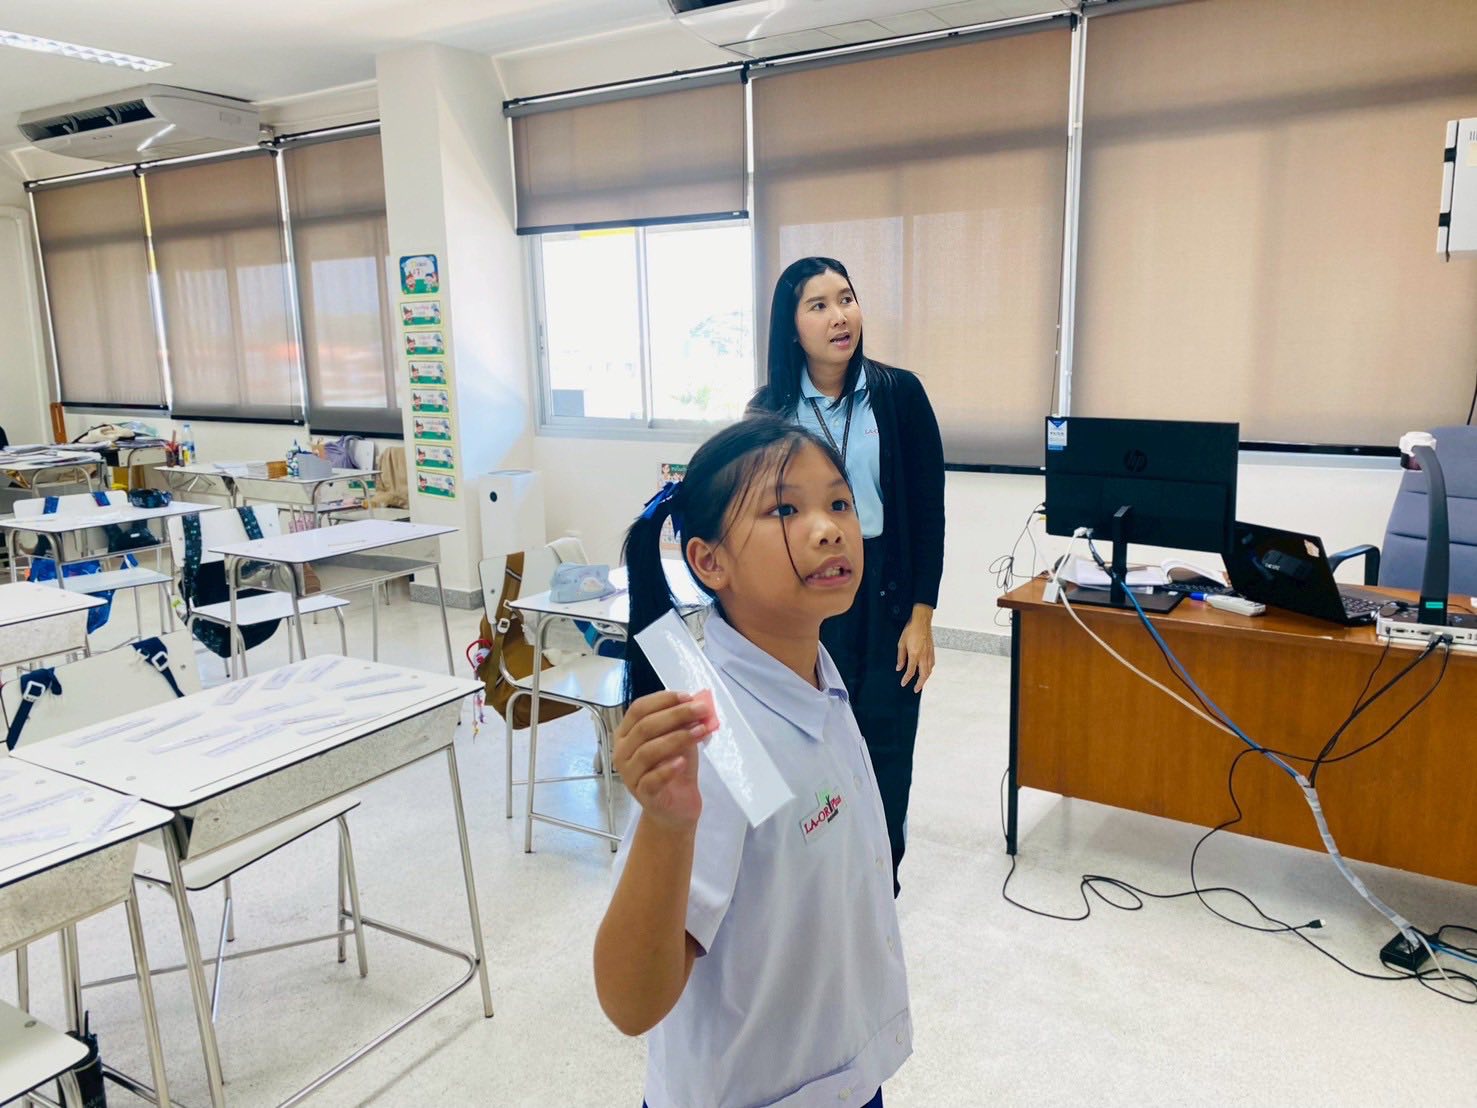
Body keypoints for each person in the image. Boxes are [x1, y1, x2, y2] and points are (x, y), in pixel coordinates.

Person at [595, 416, 910, 1108]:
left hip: (837, 1077)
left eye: (839, 503)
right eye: (785, 510)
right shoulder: (722, 736)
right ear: (710, 562)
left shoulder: (815, 673)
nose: (829, 529)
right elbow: (630, 1002)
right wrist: (667, 827)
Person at [748, 256, 946, 894]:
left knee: (886, 746)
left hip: (886, 590)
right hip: (805, 595)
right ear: (792, 326)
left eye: (847, 299)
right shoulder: (770, 412)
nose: (840, 316)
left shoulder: (899, 394)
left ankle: (878, 889)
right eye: (819, 305)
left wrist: (921, 618)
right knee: (809, 745)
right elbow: (756, 519)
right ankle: (816, 889)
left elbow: (928, 512)